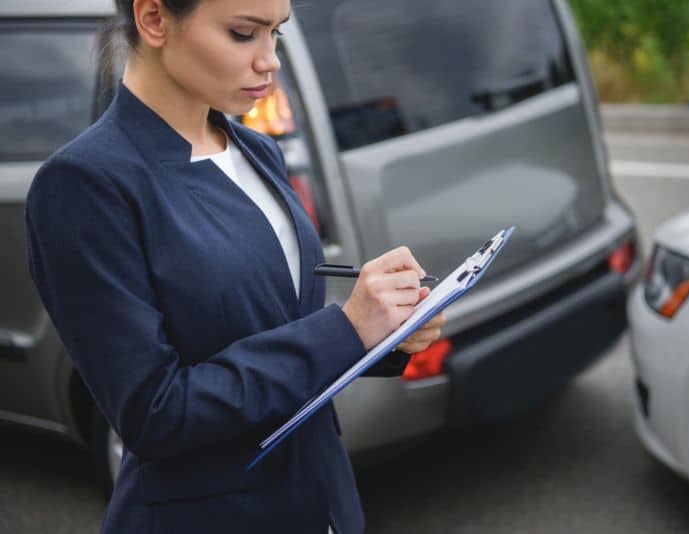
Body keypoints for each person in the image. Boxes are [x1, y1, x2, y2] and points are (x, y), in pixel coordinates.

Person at [24, 0, 445, 532]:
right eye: (244, 33)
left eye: (276, 33)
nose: (270, 60)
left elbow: (279, 331)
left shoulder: (256, 151)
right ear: (153, 18)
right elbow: (156, 413)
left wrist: (385, 332)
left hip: (324, 500)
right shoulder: (84, 186)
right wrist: (346, 328)